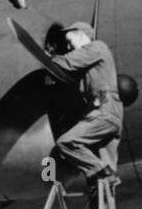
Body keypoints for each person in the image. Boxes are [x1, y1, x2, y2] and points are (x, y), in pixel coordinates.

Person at [50, 21, 122, 195]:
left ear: (82, 36)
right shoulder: (89, 63)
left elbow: (67, 63)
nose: (68, 47)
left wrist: (47, 57)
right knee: (98, 185)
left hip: (104, 111)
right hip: (108, 112)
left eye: (70, 42)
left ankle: (101, 170)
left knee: (66, 143)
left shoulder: (96, 47)